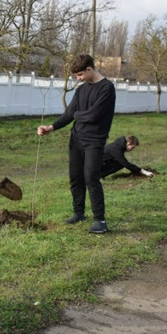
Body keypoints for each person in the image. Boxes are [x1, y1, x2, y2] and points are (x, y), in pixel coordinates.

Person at [37, 54, 115, 234]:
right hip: (77, 139)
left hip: (95, 141)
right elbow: (70, 113)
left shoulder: (107, 88)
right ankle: (78, 213)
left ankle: (100, 220)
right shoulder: (81, 90)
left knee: (91, 177)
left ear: (89, 69)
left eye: (80, 75)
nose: (78, 79)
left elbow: (94, 116)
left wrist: (78, 115)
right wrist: (51, 127)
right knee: (75, 177)